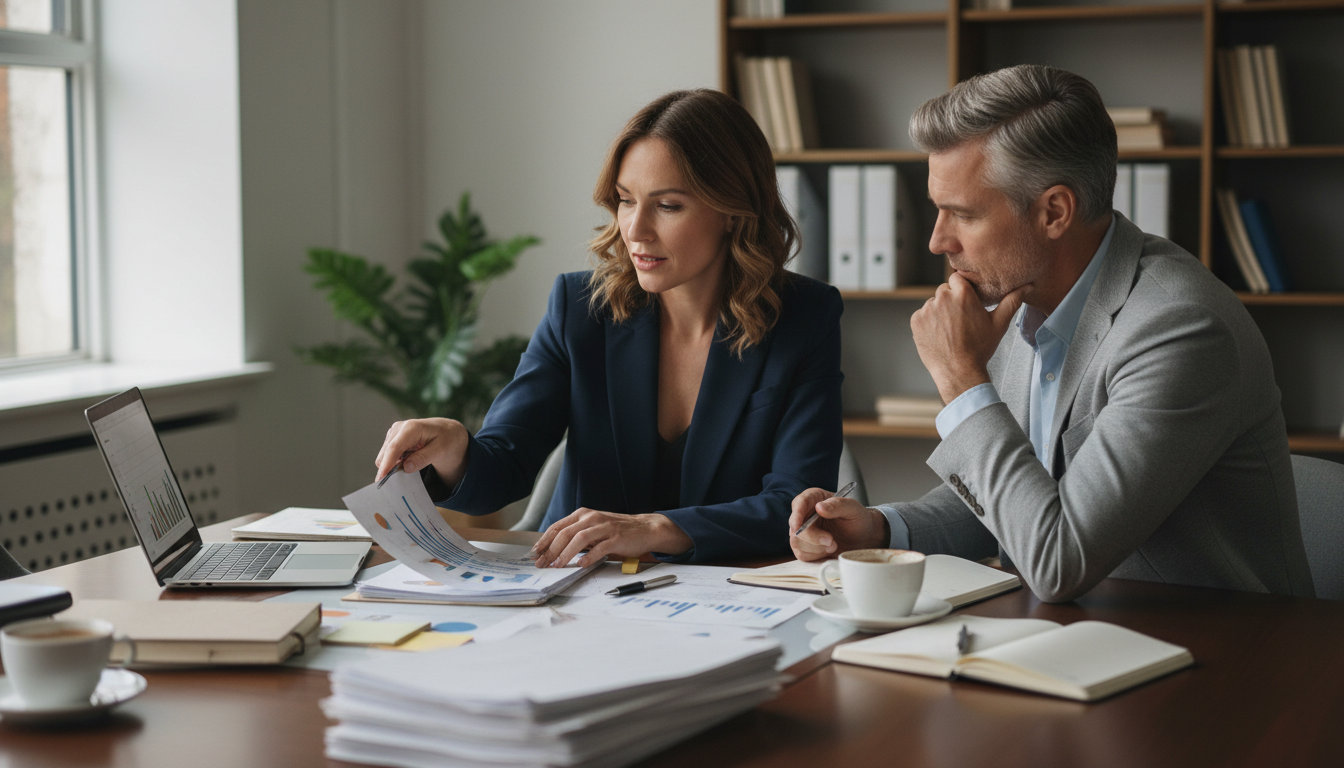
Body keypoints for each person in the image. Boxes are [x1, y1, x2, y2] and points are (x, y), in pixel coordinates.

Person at [789, 65, 1314, 603]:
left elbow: (1057, 560)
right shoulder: (1024, 294)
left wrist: (963, 381)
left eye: (961, 214)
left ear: (1054, 212)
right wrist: (879, 529)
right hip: (1079, 638)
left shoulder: (1180, 329)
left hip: (1229, 658)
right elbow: (1011, 500)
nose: (936, 241)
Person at [375, 89, 844, 568]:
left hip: (727, 595)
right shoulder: (579, 308)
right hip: (576, 590)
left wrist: (658, 528)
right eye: (624, 201)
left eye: (668, 206)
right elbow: (507, 463)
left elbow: (796, 503)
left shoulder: (806, 317)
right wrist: (456, 449)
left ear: (732, 210)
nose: (635, 230)